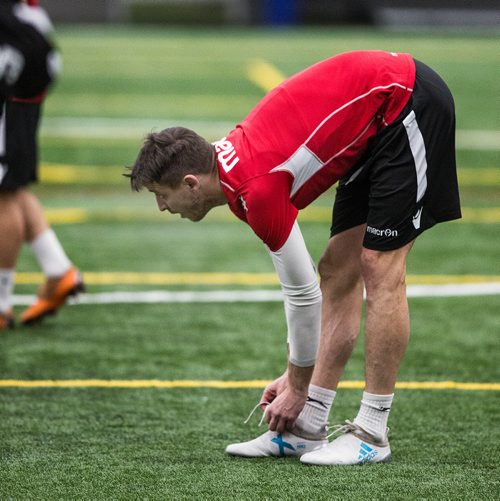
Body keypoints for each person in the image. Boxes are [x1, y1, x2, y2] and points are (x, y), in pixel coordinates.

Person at [128, 50, 461, 465]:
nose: (163, 207)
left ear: (192, 183)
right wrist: (295, 377)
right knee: (336, 269)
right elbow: (309, 290)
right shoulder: (229, 174)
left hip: (406, 100)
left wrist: (297, 384)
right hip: (374, 117)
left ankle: (373, 432)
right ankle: (308, 427)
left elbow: (302, 297)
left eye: (163, 195)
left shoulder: (256, 191)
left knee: (378, 265)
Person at [0, 0, 83, 330]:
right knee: (13, 185)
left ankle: (2, 303)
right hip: (23, 81)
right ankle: (57, 268)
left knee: (3, 194)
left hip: (13, 84)